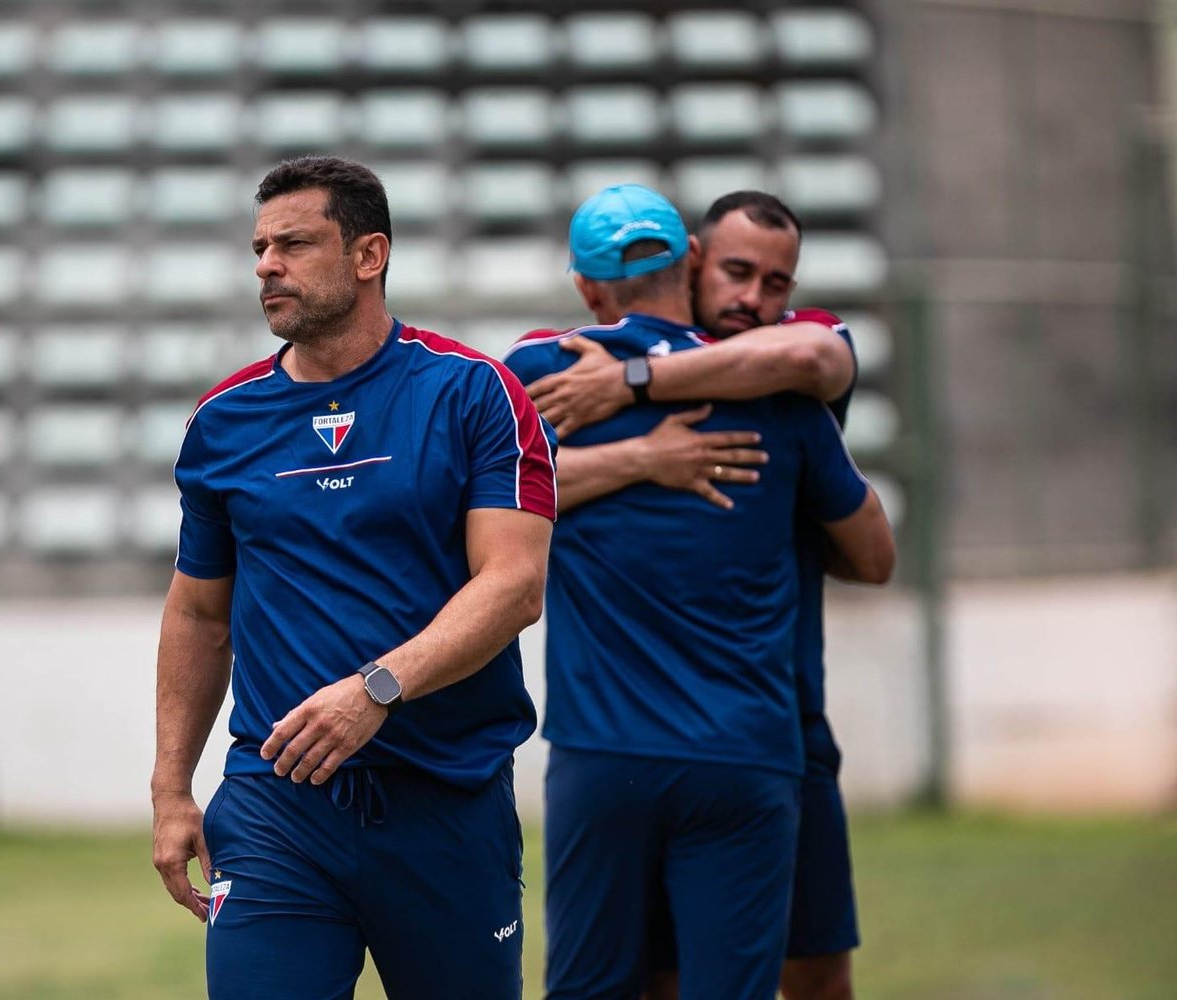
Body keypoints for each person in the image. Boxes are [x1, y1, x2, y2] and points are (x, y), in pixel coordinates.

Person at [149, 155, 556, 1000]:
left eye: (294, 244)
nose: (266, 264)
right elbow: (197, 616)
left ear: (369, 255)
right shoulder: (222, 422)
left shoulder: (476, 393)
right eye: (260, 247)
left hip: (446, 797)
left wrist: (376, 689)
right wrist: (170, 789)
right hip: (276, 804)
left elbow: (514, 586)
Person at [501, 185, 895, 1000]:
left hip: (716, 737)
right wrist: (643, 459)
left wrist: (636, 382)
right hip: (749, 746)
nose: (754, 298)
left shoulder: (553, 371)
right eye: (738, 273)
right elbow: (875, 555)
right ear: (693, 261)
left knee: (802, 974)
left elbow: (460, 502)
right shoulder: (785, 406)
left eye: (775, 283)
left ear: (587, 286)